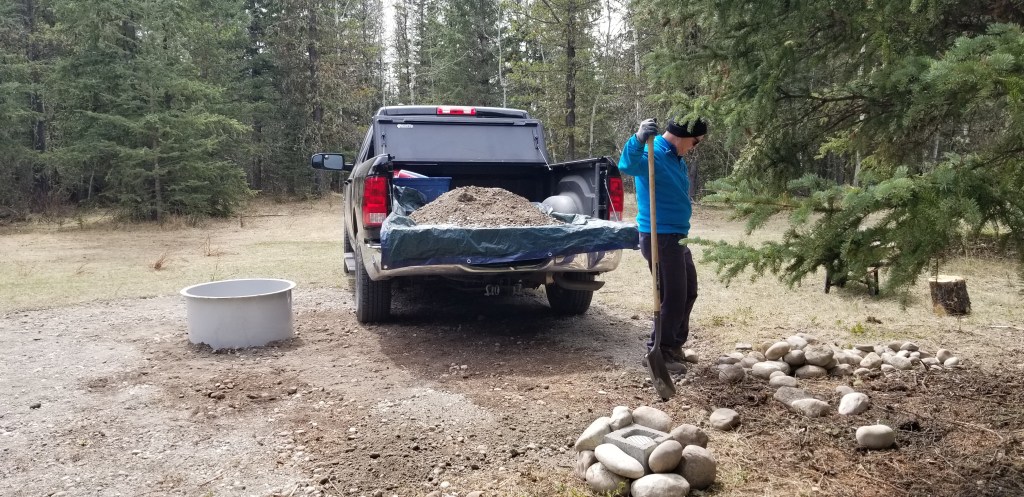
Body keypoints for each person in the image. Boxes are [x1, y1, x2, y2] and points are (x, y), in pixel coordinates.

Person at [617, 117, 707, 373]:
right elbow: (627, 165)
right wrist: (637, 138)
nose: (695, 147)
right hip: (660, 236)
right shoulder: (652, 151)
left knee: (689, 291)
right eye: (695, 141)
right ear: (682, 135)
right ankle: (658, 352)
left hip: (677, 235)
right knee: (672, 296)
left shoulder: (675, 157)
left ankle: (674, 344)